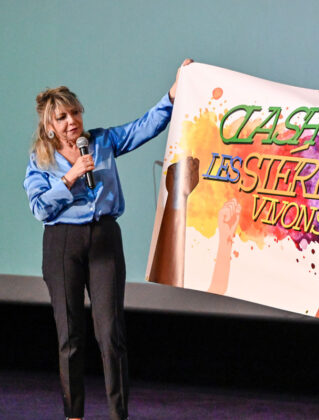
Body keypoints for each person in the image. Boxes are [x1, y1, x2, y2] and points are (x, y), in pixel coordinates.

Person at [24, 58, 193, 420]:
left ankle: (118, 414)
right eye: (62, 118)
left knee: (110, 333)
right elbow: (39, 208)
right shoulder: (41, 160)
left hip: (104, 238)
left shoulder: (100, 142)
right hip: (62, 243)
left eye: (75, 113)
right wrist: (70, 178)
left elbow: (143, 127)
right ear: (50, 127)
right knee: (70, 336)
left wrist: (172, 95)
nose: (72, 121)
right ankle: (74, 415)